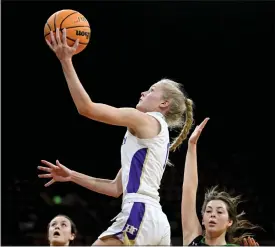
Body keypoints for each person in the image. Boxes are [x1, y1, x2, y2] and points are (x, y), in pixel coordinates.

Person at [39, 28, 194, 246]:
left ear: (164, 104)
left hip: (139, 214)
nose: (143, 92)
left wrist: (66, 61)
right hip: (156, 221)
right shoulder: (152, 138)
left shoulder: (145, 120)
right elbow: (114, 188)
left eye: (151, 90)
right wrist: (72, 175)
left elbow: (87, 108)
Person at [181, 118, 260, 246]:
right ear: (203, 220)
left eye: (219, 212)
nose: (212, 215)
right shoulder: (192, 239)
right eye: (208, 211)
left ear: (230, 222)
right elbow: (189, 189)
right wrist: (191, 146)